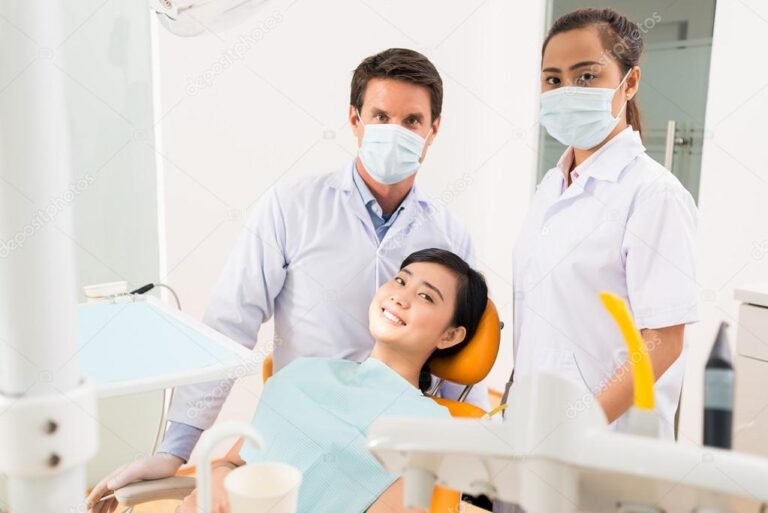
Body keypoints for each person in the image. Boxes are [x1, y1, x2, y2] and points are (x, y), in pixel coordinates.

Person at [87, 48, 488, 509]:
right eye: (381, 117)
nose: (395, 131)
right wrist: (175, 450)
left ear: (433, 130)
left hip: (379, 449)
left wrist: (473, 458)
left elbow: (461, 344)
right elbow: (229, 323)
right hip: (297, 425)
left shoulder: (449, 234)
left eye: (412, 121)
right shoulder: (292, 206)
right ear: (355, 119)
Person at [159, 249, 487, 513]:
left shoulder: (430, 429)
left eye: (426, 297)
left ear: (450, 335)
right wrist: (217, 482)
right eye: (400, 280)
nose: (401, 297)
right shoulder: (304, 373)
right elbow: (234, 462)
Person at [513, 8, 698, 440]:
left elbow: (664, 341)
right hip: (535, 431)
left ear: (629, 83)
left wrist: (583, 425)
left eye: (586, 76)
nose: (566, 91)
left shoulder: (654, 194)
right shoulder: (551, 186)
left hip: (607, 442)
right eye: (553, 79)